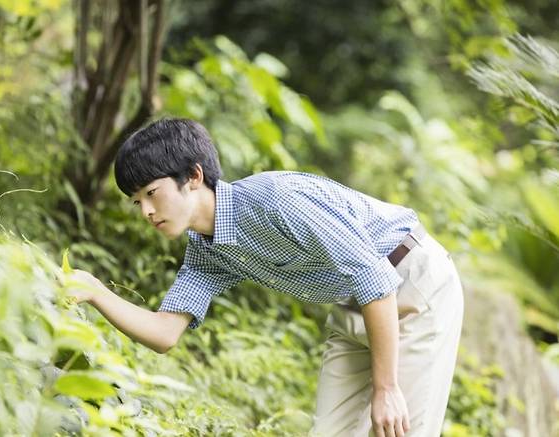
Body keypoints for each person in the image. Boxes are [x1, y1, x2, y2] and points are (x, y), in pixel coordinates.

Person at [68, 118, 464, 437]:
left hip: (414, 284)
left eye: (152, 194)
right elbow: (165, 332)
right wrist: (96, 292)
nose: (146, 213)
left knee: (397, 429)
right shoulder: (207, 251)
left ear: (193, 175)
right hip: (355, 302)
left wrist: (386, 387)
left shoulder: (276, 199)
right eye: (137, 202)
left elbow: (374, 280)